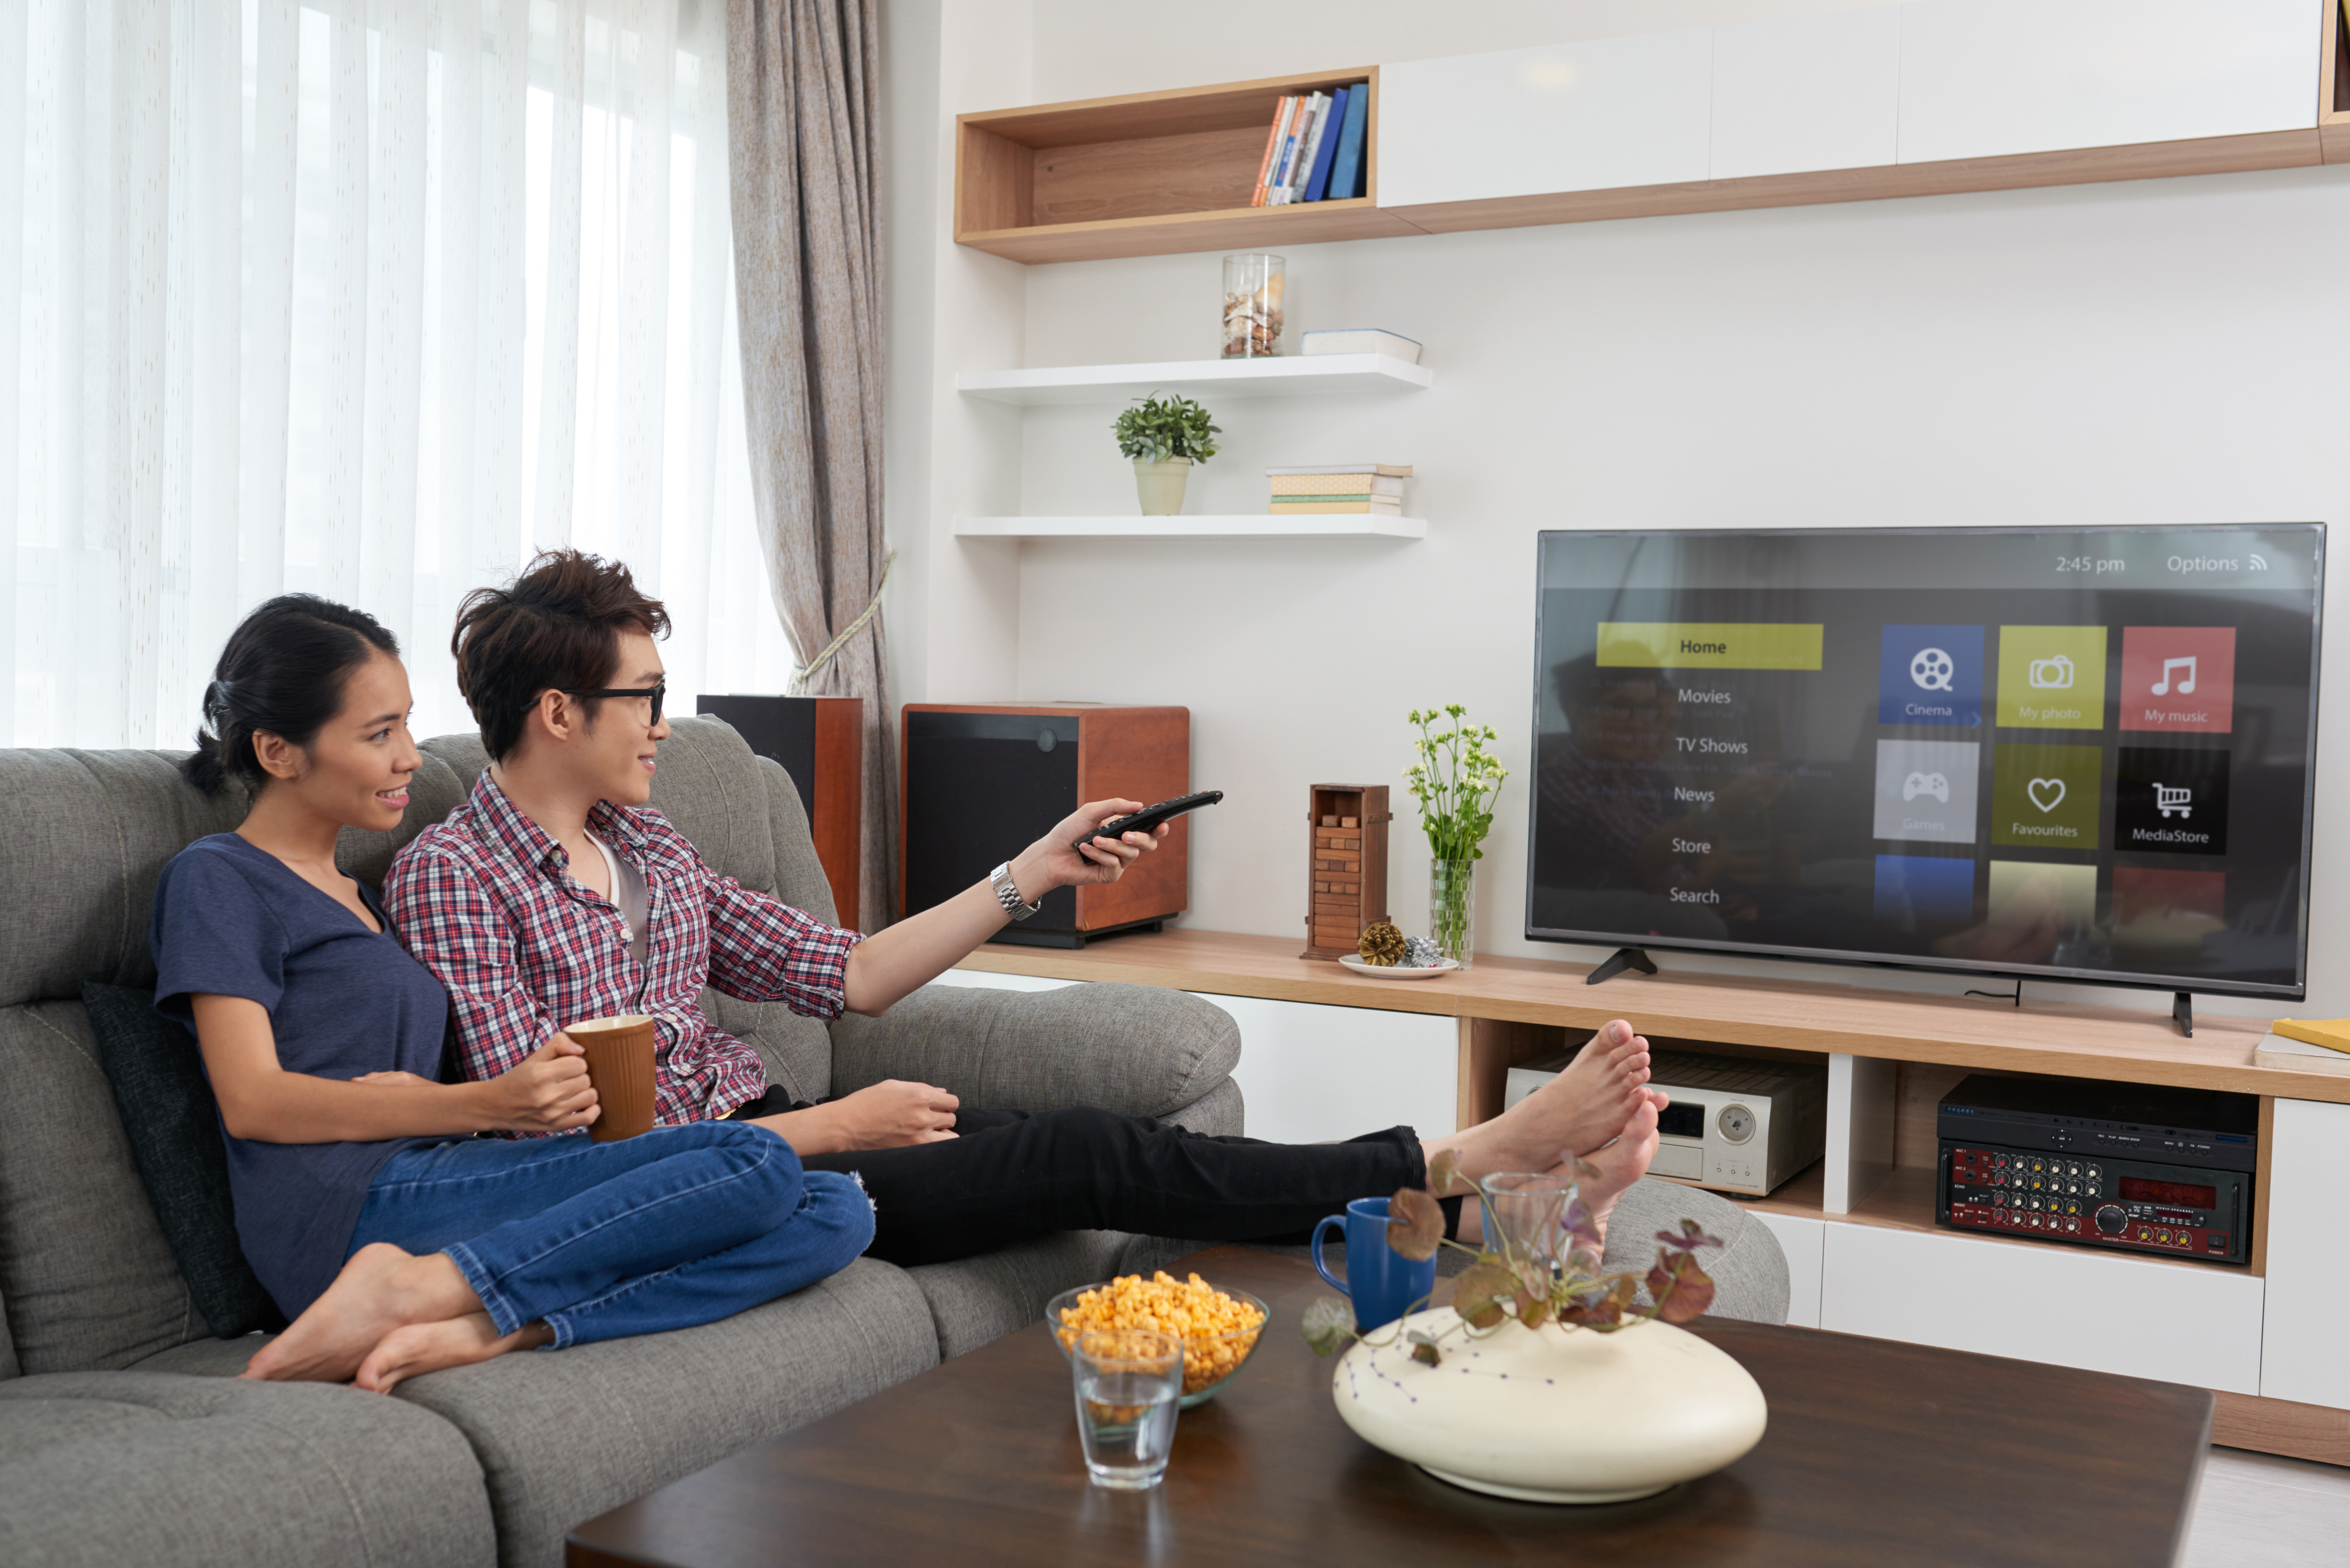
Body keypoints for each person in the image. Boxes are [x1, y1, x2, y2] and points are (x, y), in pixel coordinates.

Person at [384, 551, 1670, 1269]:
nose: (664, 724)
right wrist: (834, 1126)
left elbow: (861, 972)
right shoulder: (452, 874)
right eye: (642, 699)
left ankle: (1472, 1207)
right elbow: (564, 1150)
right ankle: (1468, 1164)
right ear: (558, 713)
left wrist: (1028, 871)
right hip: (708, 1188)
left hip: (782, 1130)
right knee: (1093, 1161)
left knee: (1116, 1143)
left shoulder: (650, 844)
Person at [152, 596, 875, 1393]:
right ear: (278, 751)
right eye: (378, 733)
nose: (411, 758)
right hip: (346, 1207)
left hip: (441, 1175)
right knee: (756, 1159)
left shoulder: (357, 897)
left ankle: (492, 1324)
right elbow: (253, 1101)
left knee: (835, 1212)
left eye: (407, 725)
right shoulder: (218, 876)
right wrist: (484, 1103)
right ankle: (403, 1287)